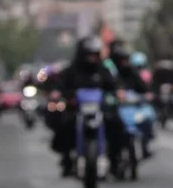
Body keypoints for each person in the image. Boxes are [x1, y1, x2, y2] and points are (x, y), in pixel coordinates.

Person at [50, 36, 127, 178]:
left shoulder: (102, 70)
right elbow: (60, 84)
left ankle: (115, 160)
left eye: (94, 55)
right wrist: (57, 92)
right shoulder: (72, 70)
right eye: (88, 55)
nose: (92, 58)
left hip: (100, 110)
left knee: (117, 124)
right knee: (65, 125)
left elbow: (114, 83)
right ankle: (67, 160)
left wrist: (119, 91)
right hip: (77, 110)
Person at [109, 40, 154, 156]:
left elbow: (142, 86)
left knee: (148, 117)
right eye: (121, 60)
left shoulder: (132, 71)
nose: (124, 63)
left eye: (126, 60)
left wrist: (147, 93)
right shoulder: (110, 72)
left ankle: (145, 144)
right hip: (116, 108)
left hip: (134, 107)